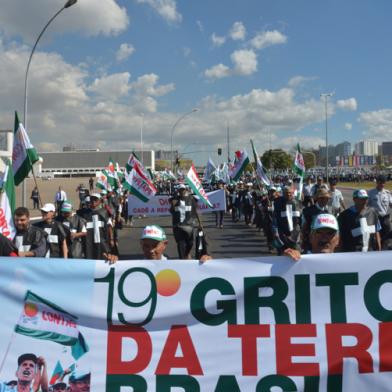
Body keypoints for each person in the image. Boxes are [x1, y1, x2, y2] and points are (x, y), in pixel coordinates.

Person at [140, 225, 211, 262]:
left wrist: (207, 265)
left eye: (155, 245)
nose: (151, 250)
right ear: (141, 245)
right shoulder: (133, 267)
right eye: (146, 246)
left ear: (165, 244)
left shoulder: (174, 267)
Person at [83, 193, 117, 263]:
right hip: (89, 241)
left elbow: (109, 226)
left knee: (103, 259)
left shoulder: (104, 212)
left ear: (100, 201)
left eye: (95, 200)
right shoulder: (84, 213)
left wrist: (111, 239)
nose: (93, 201)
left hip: (102, 241)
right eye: (92, 199)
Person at [169, 184, 201, 259]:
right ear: (178, 191)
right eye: (180, 190)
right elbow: (171, 211)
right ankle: (182, 260)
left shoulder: (191, 199)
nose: (182, 191)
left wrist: (200, 223)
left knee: (190, 243)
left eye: (183, 190)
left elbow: (195, 211)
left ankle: (187, 253)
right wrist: (172, 205)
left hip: (189, 226)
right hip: (178, 226)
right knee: (180, 244)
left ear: (186, 190)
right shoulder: (175, 200)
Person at [272, 186, 302, 254]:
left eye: (290, 193)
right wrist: (275, 231)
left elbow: (300, 218)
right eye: (286, 193)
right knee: (282, 253)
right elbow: (275, 218)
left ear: (293, 193)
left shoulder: (297, 202)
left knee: (296, 254)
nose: (288, 194)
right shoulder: (277, 202)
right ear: (283, 193)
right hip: (282, 232)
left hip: (295, 233)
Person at [301, 188, 331, 253]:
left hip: (325, 243)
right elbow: (303, 228)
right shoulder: (308, 211)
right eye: (322, 198)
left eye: (327, 199)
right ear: (318, 199)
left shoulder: (329, 212)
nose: (325, 200)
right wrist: (303, 241)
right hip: (311, 243)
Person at [367, 175, 392, 248]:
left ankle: (385, 250)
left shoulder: (387, 193)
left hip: (385, 219)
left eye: (383, 183)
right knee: (375, 238)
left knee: (387, 238)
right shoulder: (371, 193)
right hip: (375, 219)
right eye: (380, 183)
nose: (382, 185)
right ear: (377, 182)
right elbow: (366, 206)